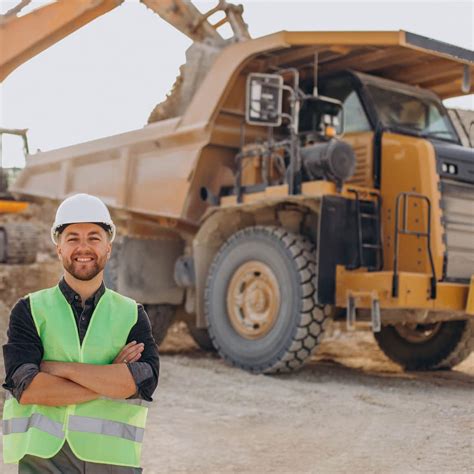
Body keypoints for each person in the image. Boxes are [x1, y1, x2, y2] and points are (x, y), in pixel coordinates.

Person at [2, 193, 159, 473]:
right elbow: (26, 388)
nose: (83, 247)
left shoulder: (132, 313)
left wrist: (58, 369)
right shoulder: (29, 310)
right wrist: (108, 377)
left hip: (112, 459)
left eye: (94, 238)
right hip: (44, 459)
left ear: (108, 248)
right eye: (72, 238)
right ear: (58, 248)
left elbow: (142, 382)